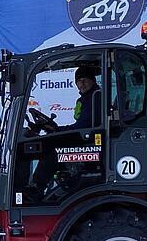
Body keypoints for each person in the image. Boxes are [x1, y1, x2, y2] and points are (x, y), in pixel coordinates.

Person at [24, 65, 102, 202]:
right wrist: (56, 129)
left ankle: (36, 187)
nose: (82, 84)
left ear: (93, 80)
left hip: (90, 142)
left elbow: (84, 126)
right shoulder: (88, 98)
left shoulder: (95, 98)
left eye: (85, 80)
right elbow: (82, 125)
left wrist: (57, 130)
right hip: (87, 138)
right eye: (79, 81)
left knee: (52, 150)